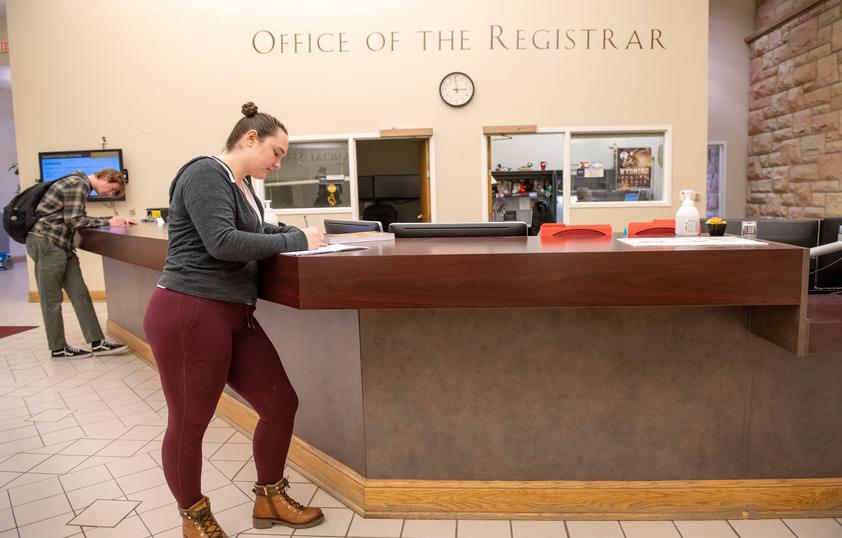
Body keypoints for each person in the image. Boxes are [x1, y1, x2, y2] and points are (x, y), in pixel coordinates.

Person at [143, 102, 326, 537]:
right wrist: (298, 237)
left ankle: (270, 498)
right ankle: (195, 518)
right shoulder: (206, 173)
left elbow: (256, 234)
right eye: (276, 152)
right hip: (190, 310)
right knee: (190, 423)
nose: (278, 163)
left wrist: (300, 238)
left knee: (280, 405)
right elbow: (223, 242)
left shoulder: (241, 185)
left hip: (233, 313)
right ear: (250, 138)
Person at [26, 168, 134, 359]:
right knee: (52, 299)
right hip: (47, 243)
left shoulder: (76, 182)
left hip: (61, 245)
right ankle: (58, 348)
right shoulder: (79, 183)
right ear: (107, 177)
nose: (110, 194)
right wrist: (109, 221)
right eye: (112, 188)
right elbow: (75, 220)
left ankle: (97, 342)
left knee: (80, 294)